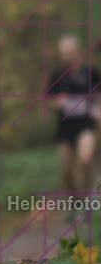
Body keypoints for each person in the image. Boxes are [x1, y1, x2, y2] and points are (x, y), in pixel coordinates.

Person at [48, 34, 101, 220]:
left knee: (85, 160)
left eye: (69, 52)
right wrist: (58, 102)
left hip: (85, 123)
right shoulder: (57, 75)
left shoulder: (90, 72)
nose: (66, 56)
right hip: (65, 125)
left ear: (77, 52)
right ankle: (74, 203)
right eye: (63, 53)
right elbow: (49, 100)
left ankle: (86, 204)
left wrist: (98, 108)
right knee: (67, 171)